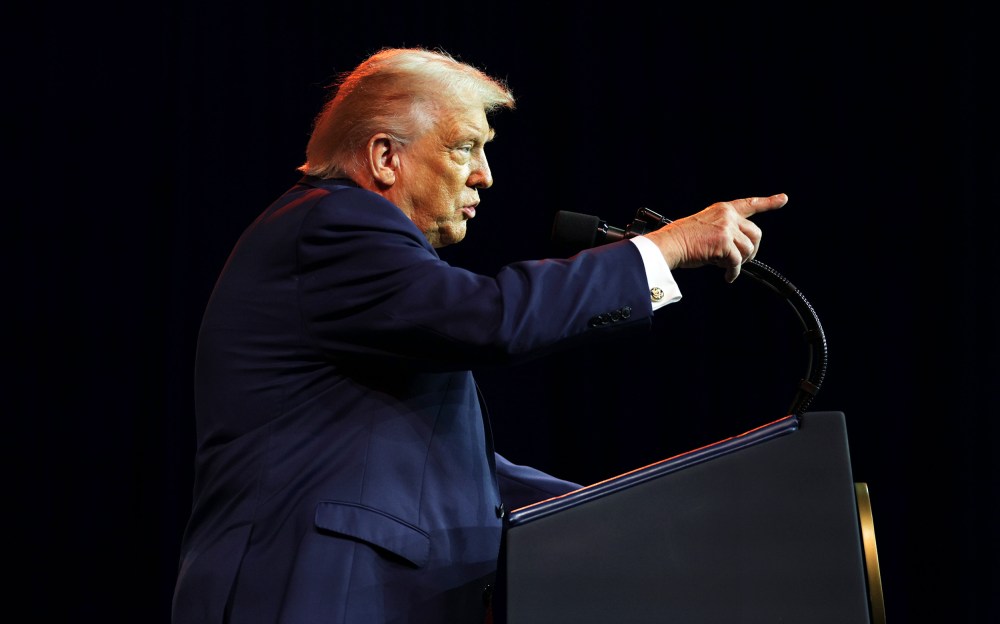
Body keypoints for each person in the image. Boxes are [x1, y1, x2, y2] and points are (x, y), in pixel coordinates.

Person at [171, 46, 788, 624]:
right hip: (313, 589)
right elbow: (493, 317)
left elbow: (455, 474)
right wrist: (664, 248)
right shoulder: (333, 222)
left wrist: (638, 510)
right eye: (464, 147)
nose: (485, 176)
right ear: (385, 157)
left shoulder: (349, 261)